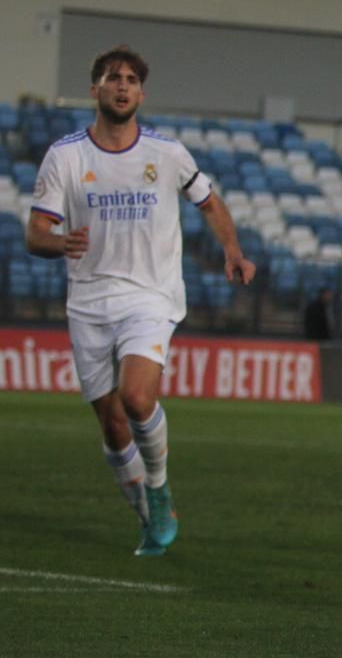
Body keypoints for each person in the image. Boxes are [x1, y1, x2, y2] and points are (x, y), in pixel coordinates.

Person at [25, 46, 256, 557]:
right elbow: (35, 232)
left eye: (130, 79)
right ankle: (150, 516)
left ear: (141, 92)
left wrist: (233, 250)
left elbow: (210, 202)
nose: (122, 85)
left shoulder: (167, 153)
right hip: (87, 301)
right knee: (110, 425)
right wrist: (59, 241)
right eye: (112, 78)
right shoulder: (66, 156)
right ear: (95, 90)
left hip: (150, 296)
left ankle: (159, 485)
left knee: (136, 399)